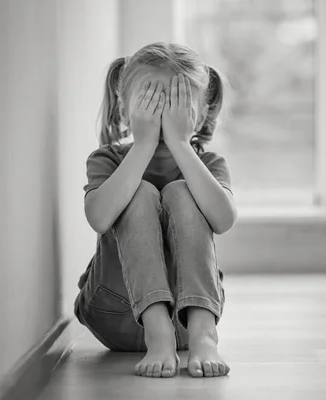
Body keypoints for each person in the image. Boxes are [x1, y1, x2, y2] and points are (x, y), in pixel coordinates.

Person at [74, 42, 236, 378]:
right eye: (151, 105)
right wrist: (144, 143)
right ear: (124, 109)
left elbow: (223, 220)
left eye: (176, 106)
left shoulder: (208, 163)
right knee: (139, 192)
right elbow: (99, 218)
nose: (163, 118)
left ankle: (205, 334)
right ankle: (155, 329)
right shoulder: (108, 159)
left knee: (181, 190)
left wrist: (180, 144)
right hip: (114, 313)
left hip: (187, 326)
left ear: (200, 113)